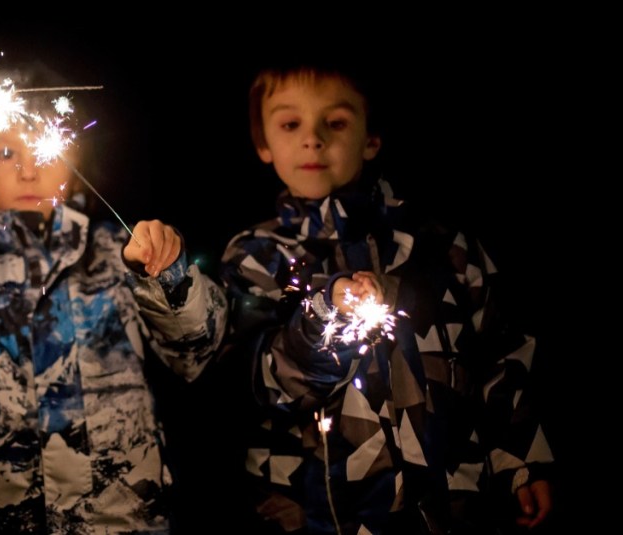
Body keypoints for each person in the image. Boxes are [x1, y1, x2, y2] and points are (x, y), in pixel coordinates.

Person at [0, 62, 227, 534]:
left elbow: (195, 355)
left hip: (121, 519)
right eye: (5, 152)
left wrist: (170, 275)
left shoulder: (118, 255)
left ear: (77, 165)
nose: (27, 170)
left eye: (45, 149)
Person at [217, 56, 554, 534]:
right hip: (317, 514)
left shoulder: (441, 249)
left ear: (371, 138)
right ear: (263, 143)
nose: (313, 138)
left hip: (449, 508)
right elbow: (258, 384)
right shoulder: (257, 258)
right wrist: (325, 314)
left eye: (335, 122)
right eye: (291, 123)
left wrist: (521, 459)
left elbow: (499, 352)